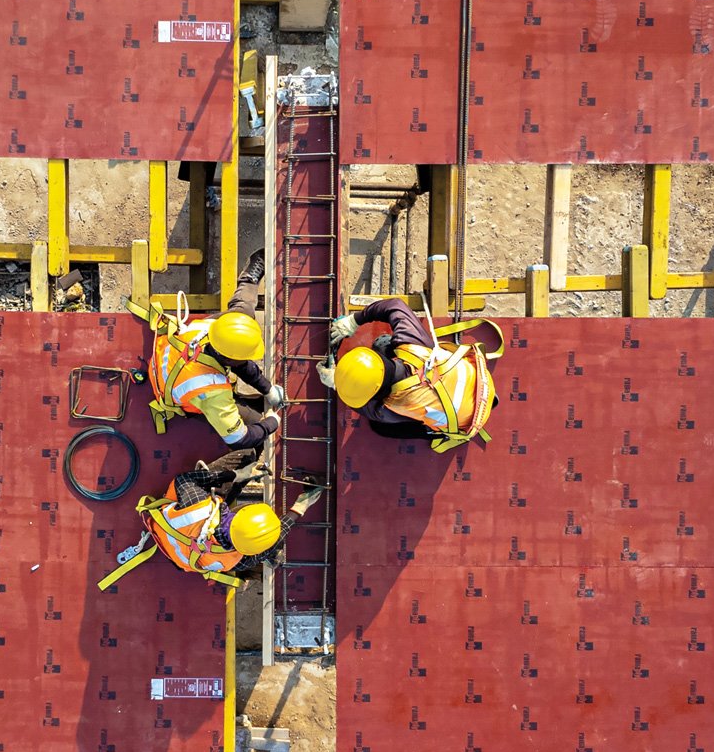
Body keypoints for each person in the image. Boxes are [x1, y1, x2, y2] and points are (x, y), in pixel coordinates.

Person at [133, 252, 285, 450]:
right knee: (254, 422)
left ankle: (250, 278)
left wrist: (266, 388)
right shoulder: (213, 391)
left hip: (179, 360)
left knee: (242, 315)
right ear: (229, 359)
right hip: (188, 390)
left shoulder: (212, 331)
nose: (249, 360)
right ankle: (255, 408)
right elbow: (238, 439)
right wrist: (270, 423)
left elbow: (237, 361)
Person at [318, 296, 505, 451]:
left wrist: (337, 382)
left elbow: (364, 408)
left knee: (380, 428)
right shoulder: (413, 347)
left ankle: (432, 432)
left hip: (466, 418)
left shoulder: (392, 407)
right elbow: (395, 305)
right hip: (476, 382)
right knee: (383, 344)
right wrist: (355, 320)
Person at [96, 449, 285, 590]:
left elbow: (184, 479)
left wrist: (237, 475)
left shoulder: (199, 506)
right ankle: (268, 562)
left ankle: (233, 474)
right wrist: (299, 508)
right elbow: (273, 538)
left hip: (172, 533)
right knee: (272, 550)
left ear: (242, 510)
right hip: (182, 557)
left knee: (246, 457)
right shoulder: (237, 559)